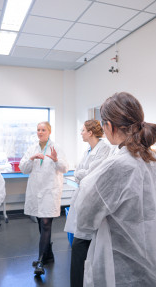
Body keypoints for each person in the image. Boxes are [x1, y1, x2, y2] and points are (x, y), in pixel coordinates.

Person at [74, 92, 156, 287]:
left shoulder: (118, 165)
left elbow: (85, 220)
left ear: (109, 126)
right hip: (155, 263)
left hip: (123, 269)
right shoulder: (154, 161)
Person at [19, 121, 69, 276]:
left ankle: (40, 260)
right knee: (42, 223)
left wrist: (55, 160)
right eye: (38, 130)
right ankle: (48, 254)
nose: (40, 132)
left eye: (43, 130)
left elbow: (65, 168)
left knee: (46, 223)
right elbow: (23, 169)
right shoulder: (31, 149)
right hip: (36, 192)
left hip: (50, 191)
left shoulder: (57, 148)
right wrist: (31, 159)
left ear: (49, 131)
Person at [65, 120, 110, 287]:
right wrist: (81, 173)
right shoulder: (89, 150)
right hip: (84, 198)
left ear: (90, 132)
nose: (81, 133)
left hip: (93, 201)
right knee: (79, 246)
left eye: (83, 130)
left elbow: (91, 173)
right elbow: (80, 172)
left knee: (81, 246)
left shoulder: (104, 149)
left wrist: (80, 173)